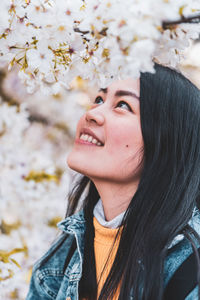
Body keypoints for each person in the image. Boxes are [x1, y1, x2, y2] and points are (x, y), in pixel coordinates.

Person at [26, 64, 200, 300]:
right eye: (99, 99)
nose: (92, 113)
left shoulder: (189, 266)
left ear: (165, 140)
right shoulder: (57, 264)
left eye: (122, 105)